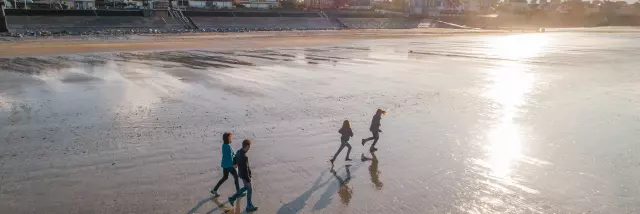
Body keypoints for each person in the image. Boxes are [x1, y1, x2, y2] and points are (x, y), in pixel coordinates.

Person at [229, 140, 258, 212]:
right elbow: (246, 170)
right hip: (245, 176)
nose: (249, 148)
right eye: (249, 147)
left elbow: (234, 159)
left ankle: (232, 198)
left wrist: (234, 164)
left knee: (245, 187)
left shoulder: (239, 151)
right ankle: (249, 206)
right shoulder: (244, 156)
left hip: (241, 174)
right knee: (250, 189)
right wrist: (249, 179)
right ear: (247, 146)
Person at [210, 133, 241, 198]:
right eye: (230, 137)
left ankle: (214, 190)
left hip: (224, 165)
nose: (231, 138)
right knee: (236, 177)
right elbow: (230, 157)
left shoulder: (223, 145)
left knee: (225, 177)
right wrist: (234, 165)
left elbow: (227, 156)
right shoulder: (228, 146)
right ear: (228, 138)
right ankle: (238, 192)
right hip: (229, 165)